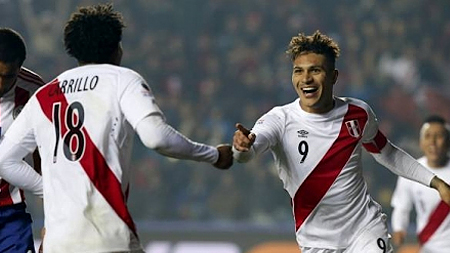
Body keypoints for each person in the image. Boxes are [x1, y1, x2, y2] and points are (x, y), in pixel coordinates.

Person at [0, 4, 233, 253]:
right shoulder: (122, 79)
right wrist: (214, 155)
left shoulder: (45, 94)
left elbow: (5, 160)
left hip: (59, 241)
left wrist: (51, 192)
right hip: (108, 236)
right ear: (116, 47)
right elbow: (157, 138)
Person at [232, 31, 450, 253]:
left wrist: (435, 182)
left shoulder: (358, 113)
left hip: (364, 230)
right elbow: (248, 152)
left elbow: (388, 153)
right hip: (317, 240)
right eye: (299, 71)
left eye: (315, 70)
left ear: (334, 76)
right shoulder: (279, 120)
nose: (306, 79)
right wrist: (241, 148)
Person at [0, 27, 44, 253]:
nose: (0, 84)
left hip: (9, 214)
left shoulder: (35, 92)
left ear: (19, 68)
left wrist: (53, 221)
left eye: (7, 77)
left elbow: (44, 158)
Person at [391, 115, 450, 252]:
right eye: (428, 136)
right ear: (421, 142)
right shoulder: (411, 171)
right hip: (428, 247)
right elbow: (401, 206)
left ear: (448, 141)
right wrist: (399, 228)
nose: (433, 142)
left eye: (439, 136)